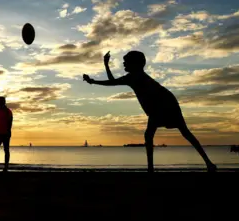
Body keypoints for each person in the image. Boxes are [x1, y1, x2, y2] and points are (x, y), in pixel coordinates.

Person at [83, 51, 217, 173]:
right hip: (163, 104)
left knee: (171, 133)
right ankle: (207, 163)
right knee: (177, 133)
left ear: (136, 64)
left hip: (164, 104)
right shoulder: (133, 77)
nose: (124, 63)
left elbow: (112, 82)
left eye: (127, 61)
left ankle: (152, 169)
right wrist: (103, 69)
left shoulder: (134, 77)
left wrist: (94, 80)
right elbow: (113, 82)